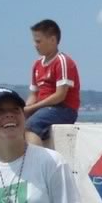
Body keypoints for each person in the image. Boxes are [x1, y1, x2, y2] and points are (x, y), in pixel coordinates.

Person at [25, 19, 81, 147]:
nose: (35, 45)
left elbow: (60, 96)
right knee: (9, 124)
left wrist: (32, 108)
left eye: (38, 41)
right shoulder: (37, 64)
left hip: (63, 109)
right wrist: (23, 109)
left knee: (29, 127)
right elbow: (33, 94)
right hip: (43, 109)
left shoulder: (62, 61)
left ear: (52, 40)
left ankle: (36, 159)